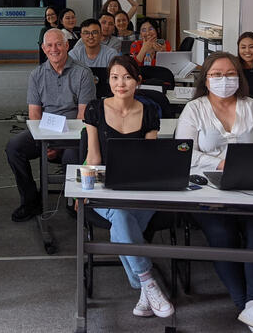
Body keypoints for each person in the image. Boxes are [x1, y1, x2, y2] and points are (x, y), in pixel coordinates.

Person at [175, 52, 253, 333]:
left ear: (239, 77)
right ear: (206, 79)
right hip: (209, 189)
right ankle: (248, 304)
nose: (224, 80)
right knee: (223, 234)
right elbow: (185, 153)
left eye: (230, 74)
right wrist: (220, 162)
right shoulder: (194, 109)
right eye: (217, 75)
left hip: (252, 188)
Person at [84, 55, 173, 319]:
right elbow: (94, 157)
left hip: (140, 188)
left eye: (126, 77)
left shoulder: (149, 111)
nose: (120, 83)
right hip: (106, 188)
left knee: (121, 223)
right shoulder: (94, 109)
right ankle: (147, 281)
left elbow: (150, 159)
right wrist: (83, 189)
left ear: (137, 81)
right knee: (121, 216)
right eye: (114, 77)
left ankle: (143, 286)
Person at [5, 28, 96, 221]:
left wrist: (59, 145)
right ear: (43, 49)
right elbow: (35, 115)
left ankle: (75, 201)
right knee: (14, 147)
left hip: (74, 136)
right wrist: (47, 141)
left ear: (66, 46)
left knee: (71, 155)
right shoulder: (36, 75)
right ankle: (30, 201)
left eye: (58, 44)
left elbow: (83, 116)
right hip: (46, 132)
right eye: (49, 45)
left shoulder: (83, 74)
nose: (54, 49)